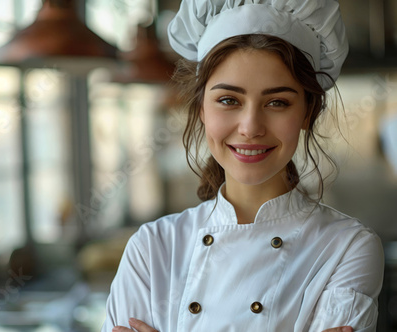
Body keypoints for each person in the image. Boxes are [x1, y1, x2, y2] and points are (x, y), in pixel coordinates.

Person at [102, 0, 384, 331]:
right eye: (228, 100)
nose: (250, 127)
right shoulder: (152, 248)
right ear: (202, 110)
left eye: (277, 102)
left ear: (307, 112)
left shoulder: (347, 248)